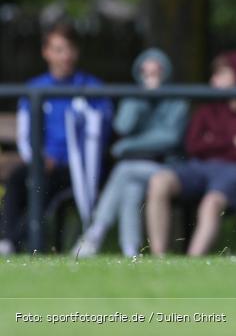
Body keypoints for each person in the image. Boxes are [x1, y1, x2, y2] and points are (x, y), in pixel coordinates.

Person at [144, 51, 236, 256]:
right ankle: (158, 258)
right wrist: (232, 142)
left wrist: (212, 141)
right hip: (200, 168)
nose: (213, 80)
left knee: (211, 204)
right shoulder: (207, 110)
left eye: (221, 73)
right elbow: (193, 146)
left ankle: (193, 262)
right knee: (159, 181)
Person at [0, 22, 113, 255]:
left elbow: (99, 135)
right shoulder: (35, 88)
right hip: (44, 163)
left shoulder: (91, 88)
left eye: (70, 48)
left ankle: (16, 242)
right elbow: (25, 133)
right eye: (59, 49)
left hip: (78, 169)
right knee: (18, 178)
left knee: (45, 186)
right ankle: (8, 240)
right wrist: (39, 158)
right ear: (46, 52)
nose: (66, 56)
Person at [71, 48, 189, 257]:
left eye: (156, 72)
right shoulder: (134, 96)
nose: (151, 77)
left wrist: (128, 147)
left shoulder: (177, 100)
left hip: (167, 165)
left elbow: (170, 139)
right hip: (137, 167)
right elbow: (123, 126)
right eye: (146, 72)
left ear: (166, 72)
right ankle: (130, 250)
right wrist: (142, 97)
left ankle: (97, 230)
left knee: (124, 171)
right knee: (131, 189)